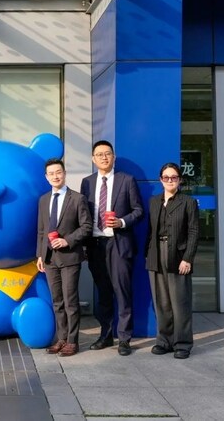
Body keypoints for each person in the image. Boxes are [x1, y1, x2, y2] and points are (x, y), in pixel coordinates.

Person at [80, 140, 144, 356]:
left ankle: (124, 339)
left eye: (107, 153)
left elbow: (138, 211)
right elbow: (83, 214)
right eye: (99, 154)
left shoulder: (127, 180)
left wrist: (121, 222)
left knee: (122, 291)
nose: (104, 157)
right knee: (103, 293)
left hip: (119, 244)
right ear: (93, 159)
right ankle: (106, 335)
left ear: (114, 157)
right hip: (96, 245)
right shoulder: (87, 183)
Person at [36, 159, 92, 357]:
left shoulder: (77, 199)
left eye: (58, 172)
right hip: (49, 259)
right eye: (51, 173)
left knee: (70, 301)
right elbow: (41, 231)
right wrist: (40, 255)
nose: (55, 176)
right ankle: (61, 338)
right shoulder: (43, 200)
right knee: (57, 301)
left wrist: (67, 241)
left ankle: (72, 341)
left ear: (65, 173)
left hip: (70, 258)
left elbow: (86, 227)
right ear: (46, 177)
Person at [145, 163, 199, 360]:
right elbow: (150, 230)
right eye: (166, 177)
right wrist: (148, 254)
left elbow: (193, 232)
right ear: (161, 180)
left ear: (180, 180)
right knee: (162, 303)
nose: (170, 180)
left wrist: (188, 258)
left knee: (180, 303)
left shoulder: (188, 202)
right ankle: (164, 341)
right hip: (156, 254)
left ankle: (182, 343)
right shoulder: (154, 201)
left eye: (174, 177)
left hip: (178, 255)